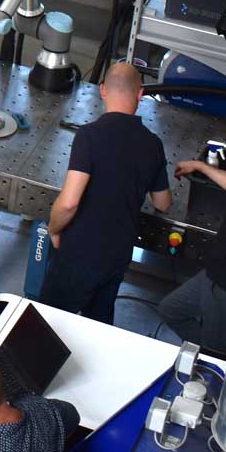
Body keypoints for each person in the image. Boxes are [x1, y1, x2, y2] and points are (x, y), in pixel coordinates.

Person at [116, 104, 226, 354]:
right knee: (171, 309)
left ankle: (206, 358)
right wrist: (203, 167)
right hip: (214, 276)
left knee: (217, 346)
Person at [40, 62, 172, 323]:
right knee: (98, 327)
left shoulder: (89, 136)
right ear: (140, 94)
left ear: (103, 91)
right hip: (118, 253)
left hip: (79, 250)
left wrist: (53, 229)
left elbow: (69, 203)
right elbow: (163, 202)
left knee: (49, 324)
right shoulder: (153, 144)